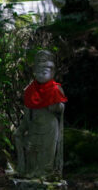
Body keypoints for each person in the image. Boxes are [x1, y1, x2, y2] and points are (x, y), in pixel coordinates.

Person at [14, 50, 67, 179]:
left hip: (49, 126)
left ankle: (46, 172)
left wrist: (56, 107)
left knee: (47, 152)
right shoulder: (30, 90)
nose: (41, 74)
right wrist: (22, 128)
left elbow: (61, 108)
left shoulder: (55, 89)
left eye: (45, 72)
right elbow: (27, 113)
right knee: (32, 150)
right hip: (33, 125)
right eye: (38, 72)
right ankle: (31, 170)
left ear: (52, 72)